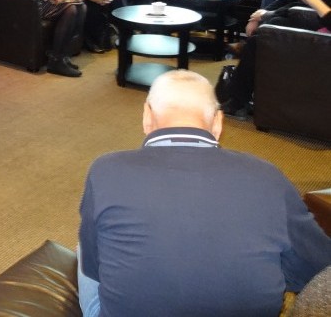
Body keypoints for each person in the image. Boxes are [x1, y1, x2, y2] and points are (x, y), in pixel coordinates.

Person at [78, 70, 331, 317]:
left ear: (147, 116)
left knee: (84, 249)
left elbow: (94, 267)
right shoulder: (267, 175)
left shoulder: (105, 169)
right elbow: (317, 268)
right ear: (218, 122)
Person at [221, 0, 331, 117]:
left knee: (260, 39)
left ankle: (236, 100)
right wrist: (260, 15)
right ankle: (237, 98)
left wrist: (266, 16)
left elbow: (299, 8)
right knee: (271, 12)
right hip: (297, 27)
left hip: (315, 39)